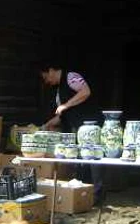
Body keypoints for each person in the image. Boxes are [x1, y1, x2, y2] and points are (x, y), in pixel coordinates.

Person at [39, 64, 102, 200]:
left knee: (92, 159)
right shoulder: (59, 89)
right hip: (76, 129)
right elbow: (62, 115)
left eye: (46, 78)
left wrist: (66, 105)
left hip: (89, 128)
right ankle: (83, 195)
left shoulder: (70, 77)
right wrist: (46, 125)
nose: (47, 82)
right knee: (80, 162)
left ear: (51, 70)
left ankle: (97, 193)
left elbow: (85, 91)